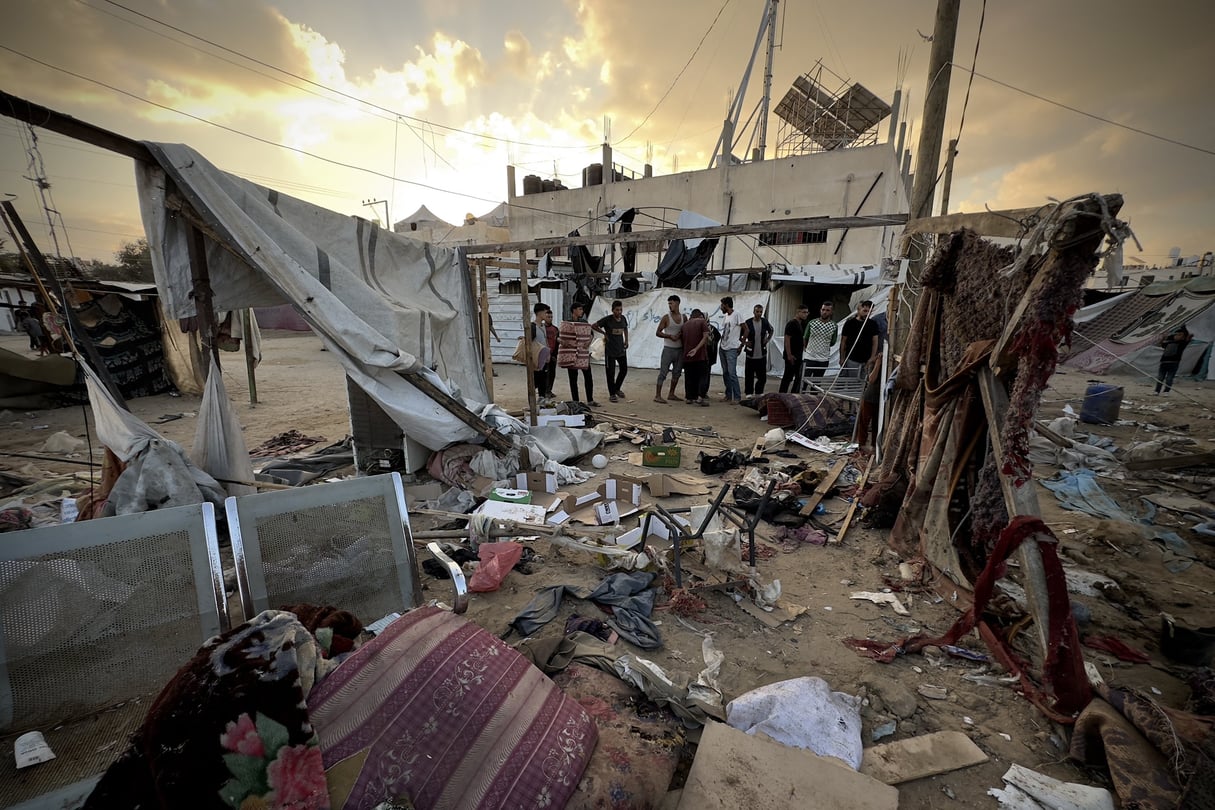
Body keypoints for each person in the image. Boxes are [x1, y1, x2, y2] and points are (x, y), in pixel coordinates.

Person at [558, 301, 598, 406]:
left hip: (583, 354)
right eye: (580, 309)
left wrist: (589, 342)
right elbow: (559, 336)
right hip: (571, 353)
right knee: (573, 378)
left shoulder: (584, 322)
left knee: (588, 377)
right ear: (574, 310)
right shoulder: (566, 323)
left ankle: (590, 400)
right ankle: (576, 401)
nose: (582, 311)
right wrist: (562, 342)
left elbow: (591, 334)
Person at [592, 299, 630, 402]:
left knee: (624, 369)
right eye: (617, 310)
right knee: (610, 372)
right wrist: (604, 333)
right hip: (610, 350)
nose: (619, 312)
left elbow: (625, 328)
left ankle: (617, 388)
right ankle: (612, 393)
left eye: (620, 310)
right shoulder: (608, 320)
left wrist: (626, 340)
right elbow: (594, 325)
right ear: (613, 310)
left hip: (621, 349)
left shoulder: (623, 319)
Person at [654, 294, 685, 403]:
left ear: (677, 303)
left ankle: (671, 393)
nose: (670, 306)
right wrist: (669, 336)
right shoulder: (666, 317)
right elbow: (658, 332)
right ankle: (657, 395)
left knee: (677, 372)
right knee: (663, 372)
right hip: (668, 349)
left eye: (671, 303)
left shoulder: (684, 317)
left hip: (679, 349)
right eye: (669, 304)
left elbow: (685, 331)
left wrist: (679, 335)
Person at [680, 308, 711, 407]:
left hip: (687, 355)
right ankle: (700, 397)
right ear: (700, 316)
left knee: (689, 377)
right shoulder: (702, 322)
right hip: (700, 356)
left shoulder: (685, 325)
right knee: (702, 377)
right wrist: (696, 349)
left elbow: (682, 340)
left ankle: (689, 397)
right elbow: (706, 337)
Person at [741, 303, 773, 397]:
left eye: (760, 312)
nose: (759, 314)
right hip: (751, 353)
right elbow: (740, 335)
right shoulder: (748, 323)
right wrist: (745, 343)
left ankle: (759, 391)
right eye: (757, 311)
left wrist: (767, 339)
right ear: (753, 312)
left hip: (761, 353)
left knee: (762, 376)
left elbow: (771, 330)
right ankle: (749, 392)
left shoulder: (765, 322)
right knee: (749, 375)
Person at [839, 300, 880, 374]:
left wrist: (872, 357)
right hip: (852, 359)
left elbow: (875, 342)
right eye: (864, 311)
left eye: (869, 311)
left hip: (866, 360)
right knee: (852, 382)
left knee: (863, 382)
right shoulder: (850, 323)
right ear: (859, 310)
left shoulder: (873, 324)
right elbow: (843, 341)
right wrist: (842, 358)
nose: (867, 314)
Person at [717, 296, 743, 402]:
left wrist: (741, 345)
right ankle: (728, 395)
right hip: (723, 347)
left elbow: (746, 330)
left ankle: (737, 397)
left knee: (732, 373)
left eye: (722, 305)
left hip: (732, 348)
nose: (721, 307)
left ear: (726, 305)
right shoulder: (727, 316)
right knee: (725, 373)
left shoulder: (737, 315)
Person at [779, 304, 809, 393]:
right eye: (804, 312)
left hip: (798, 355)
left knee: (799, 377)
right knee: (787, 377)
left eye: (807, 312)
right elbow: (787, 339)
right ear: (798, 312)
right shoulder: (792, 323)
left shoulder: (802, 324)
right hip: (792, 355)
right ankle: (782, 395)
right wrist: (789, 355)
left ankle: (793, 395)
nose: (806, 314)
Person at [857, 351, 884, 448]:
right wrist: (878, 364)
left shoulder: (889, 364)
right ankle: (862, 443)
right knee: (864, 421)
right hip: (870, 397)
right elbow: (871, 379)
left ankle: (874, 445)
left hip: (880, 399)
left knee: (876, 423)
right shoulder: (873, 363)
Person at [803, 301, 837, 378]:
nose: (824, 312)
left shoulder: (834, 326)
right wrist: (807, 349)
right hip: (810, 357)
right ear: (820, 310)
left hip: (823, 359)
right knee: (803, 382)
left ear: (831, 312)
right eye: (823, 309)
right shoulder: (812, 323)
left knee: (816, 383)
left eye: (827, 310)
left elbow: (833, 342)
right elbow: (805, 338)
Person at [1156, 326, 1191, 395]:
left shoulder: (1182, 344)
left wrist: (1188, 336)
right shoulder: (1169, 342)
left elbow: (1188, 338)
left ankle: (1166, 391)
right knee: (1160, 378)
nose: (1177, 336)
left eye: (1180, 335)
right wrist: (1163, 338)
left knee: (1169, 378)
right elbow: (1160, 344)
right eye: (1176, 334)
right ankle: (1157, 391)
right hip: (1164, 363)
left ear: (1183, 337)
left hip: (1174, 363)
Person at [530, 303, 553, 400]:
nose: (546, 314)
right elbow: (530, 343)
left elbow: (545, 340)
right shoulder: (532, 326)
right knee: (536, 378)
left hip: (544, 356)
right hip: (536, 357)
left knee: (544, 378)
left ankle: (542, 397)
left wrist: (548, 354)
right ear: (539, 313)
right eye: (545, 312)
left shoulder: (543, 326)